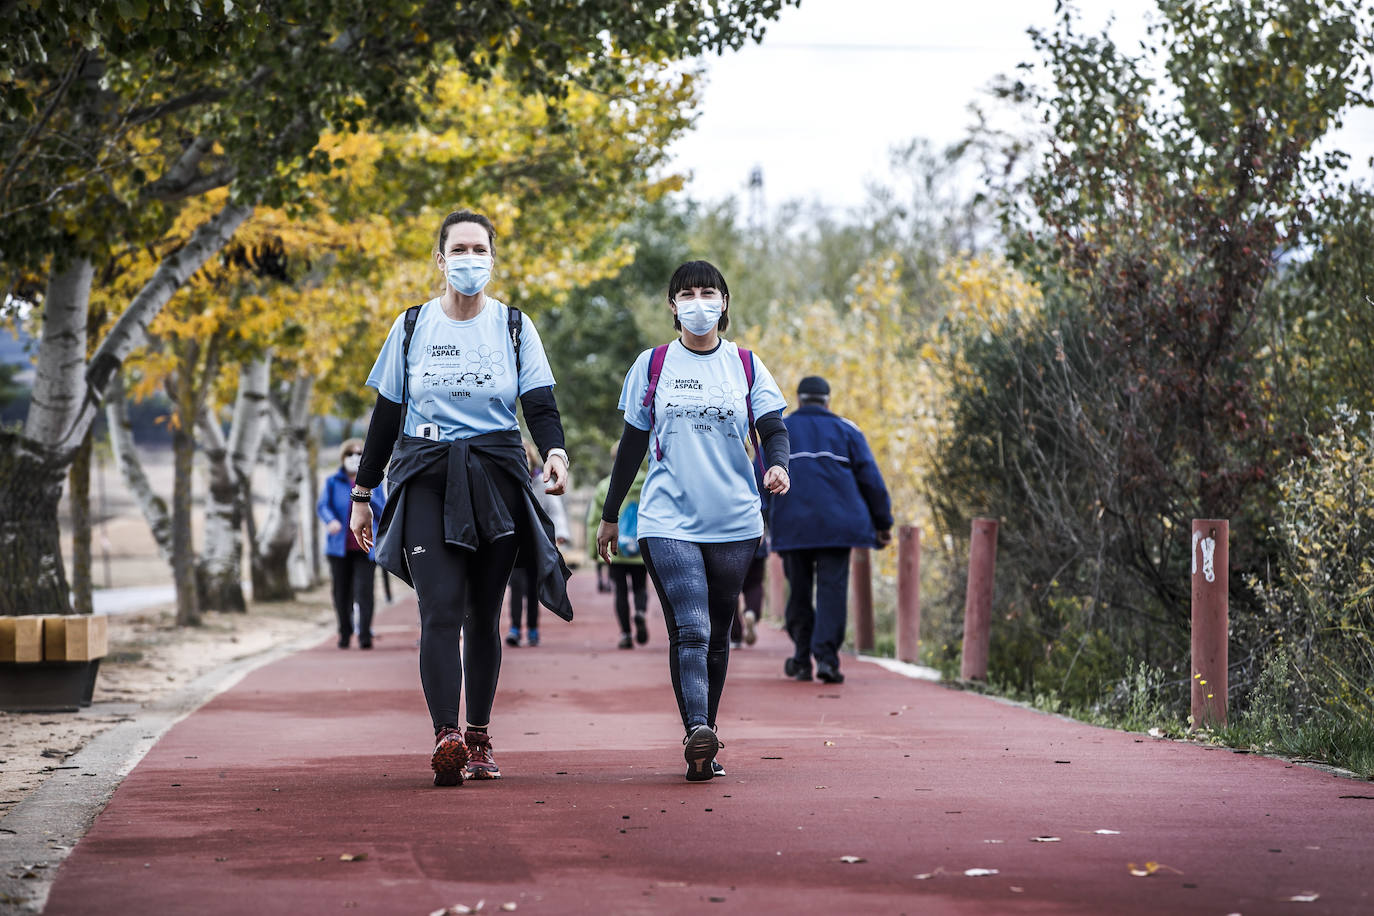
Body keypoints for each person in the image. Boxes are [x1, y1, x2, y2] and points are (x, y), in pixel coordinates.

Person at [350, 209, 573, 787]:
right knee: (439, 607)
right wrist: (362, 491)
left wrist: (554, 451)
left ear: (492, 259)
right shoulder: (412, 325)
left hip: (497, 477)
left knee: (482, 613)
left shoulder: (515, 327)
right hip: (425, 474)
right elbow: (386, 415)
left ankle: (478, 735)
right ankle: (445, 734)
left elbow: (541, 404)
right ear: (440, 258)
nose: (471, 259)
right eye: (460, 249)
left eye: (481, 249)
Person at [597, 259, 791, 782]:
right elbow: (632, 444)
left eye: (708, 292)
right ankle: (698, 730)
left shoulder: (747, 365)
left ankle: (705, 737)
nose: (698, 301)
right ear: (672, 305)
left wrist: (777, 464)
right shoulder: (653, 365)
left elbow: (772, 426)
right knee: (692, 627)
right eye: (687, 293)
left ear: (724, 302)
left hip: (734, 520)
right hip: (668, 521)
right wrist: (611, 514)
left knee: (719, 633)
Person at [767, 376, 893, 685]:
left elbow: (762, 479)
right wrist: (883, 524)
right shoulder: (847, 430)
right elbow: (871, 481)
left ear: (798, 400)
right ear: (827, 401)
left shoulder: (779, 431)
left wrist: (762, 522)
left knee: (798, 590)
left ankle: (800, 658)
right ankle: (826, 659)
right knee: (832, 591)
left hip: (792, 525)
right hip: (838, 526)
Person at [317, 438, 386, 649]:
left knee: (364, 591)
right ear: (342, 457)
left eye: (359, 454)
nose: (354, 457)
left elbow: (383, 510)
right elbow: (323, 506)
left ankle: (365, 634)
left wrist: (365, 496)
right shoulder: (332, 481)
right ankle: (344, 632)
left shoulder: (374, 483)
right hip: (340, 548)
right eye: (350, 454)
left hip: (365, 548)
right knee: (341, 592)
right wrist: (331, 521)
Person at [587, 443, 650, 650]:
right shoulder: (648, 482)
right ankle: (640, 611)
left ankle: (625, 633)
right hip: (642, 546)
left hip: (616, 548)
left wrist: (593, 551)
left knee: (620, 591)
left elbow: (594, 519)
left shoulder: (606, 486)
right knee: (640, 586)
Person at [507, 440, 570, 647]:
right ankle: (515, 629)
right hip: (513, 544)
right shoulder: (507, 480)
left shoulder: (541, 482)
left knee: (533, 588)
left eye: (526, 454)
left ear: (531, 457)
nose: (523, 458)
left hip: (535, 543)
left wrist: (559, 533)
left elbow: (555, 510)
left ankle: (533, 629)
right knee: (515, 587)